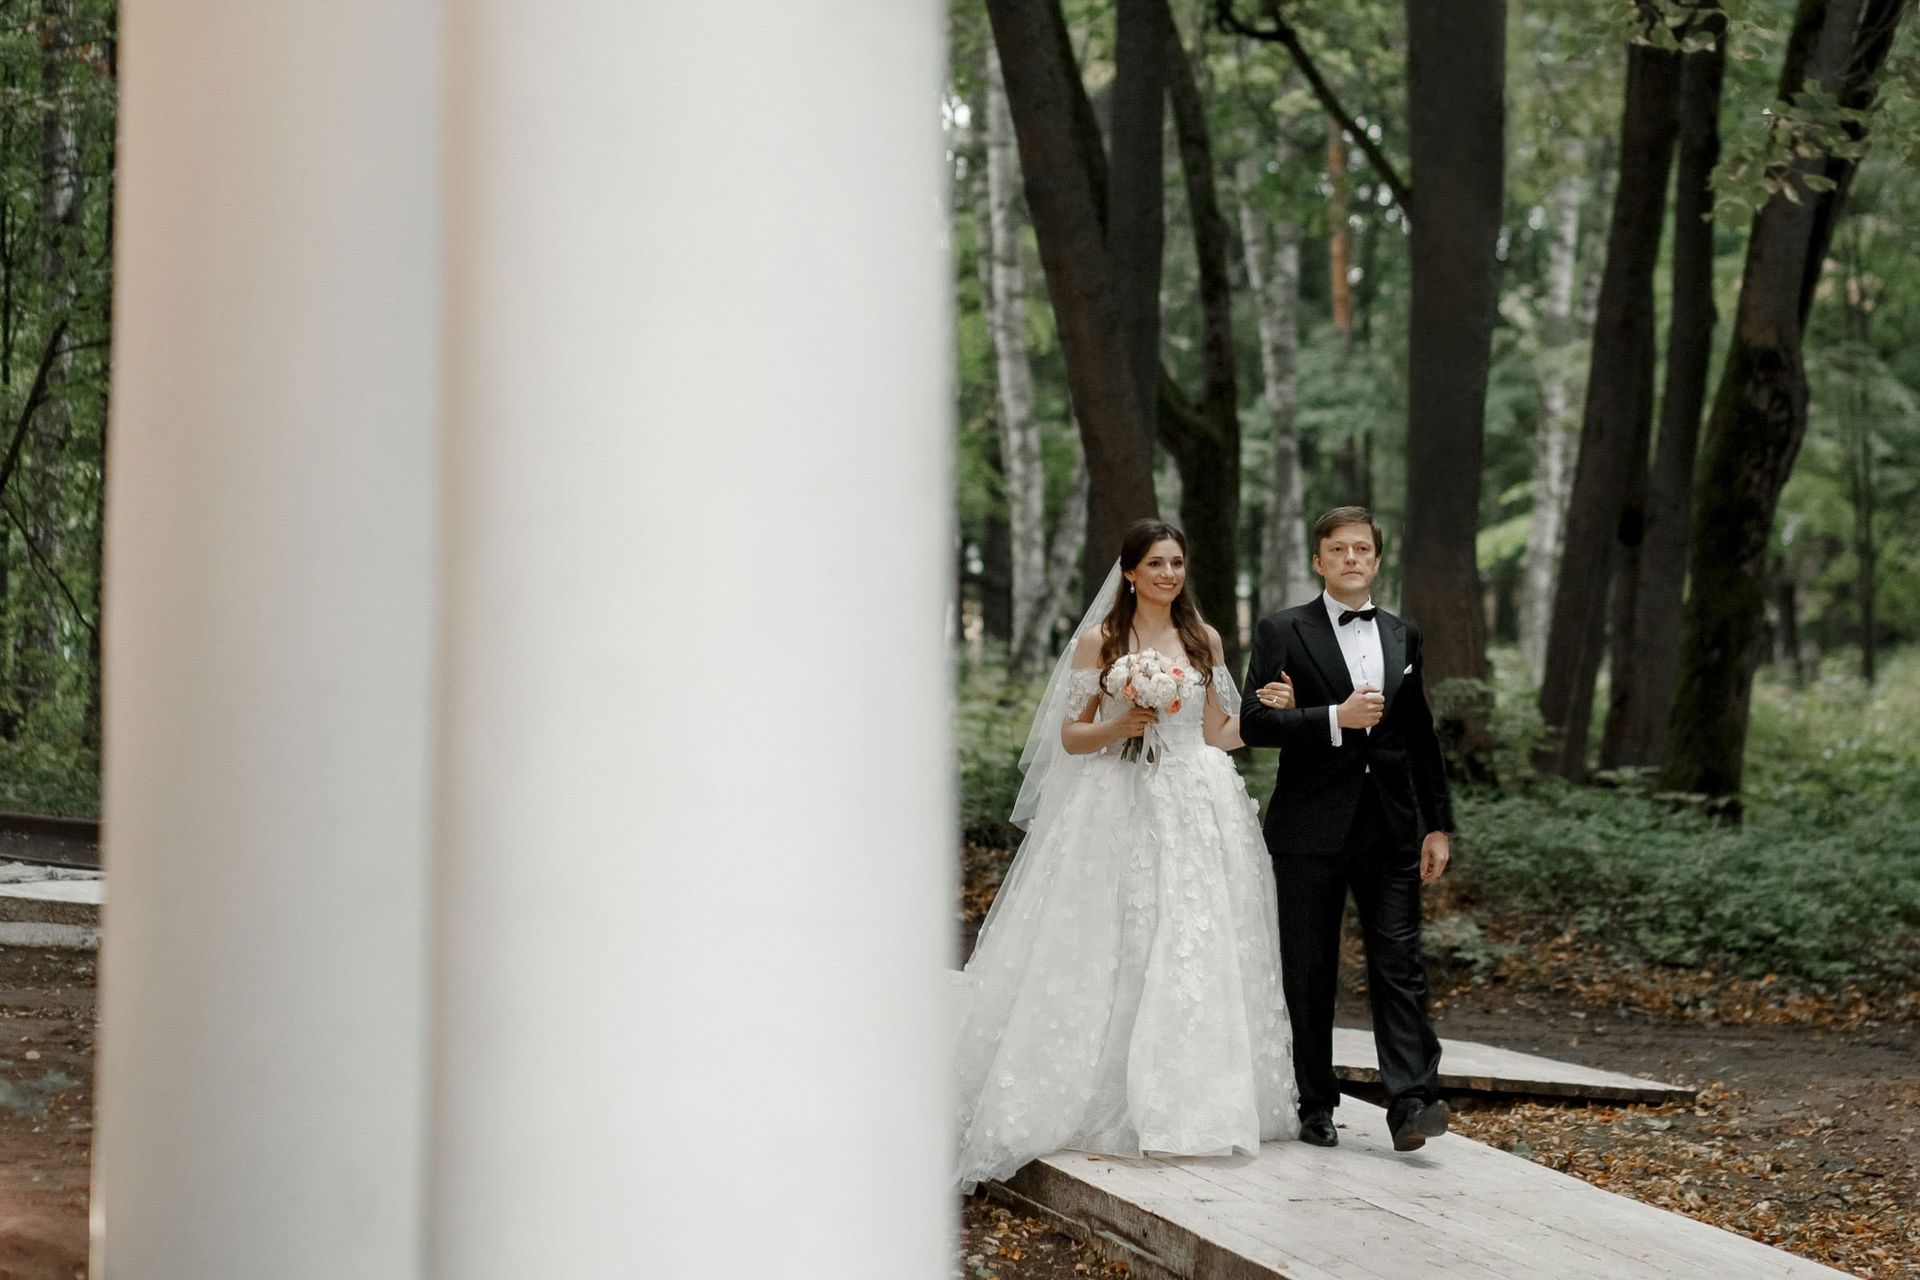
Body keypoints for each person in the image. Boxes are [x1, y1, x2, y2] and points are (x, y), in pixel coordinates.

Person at [952, 519, 1298, 1193]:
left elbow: (1220, 734)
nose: (1169, 573)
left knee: (1192, 941)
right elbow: (1073, 739)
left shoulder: (1204, 639)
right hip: (1118, 801)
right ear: (1130, 572)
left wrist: (1265, 707)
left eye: (1177, 561)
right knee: (1120, 936)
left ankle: (1192, 1100)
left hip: (1195, 801)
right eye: (1156, 563)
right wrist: (1119, 724)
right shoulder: (1100, 642)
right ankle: (1104, 1088)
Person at [1239, 505, 1455, 1153]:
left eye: (1363, 549)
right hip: (1308, 827)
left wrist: (1436, 825)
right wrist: (1335, 717)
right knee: (1308, 969)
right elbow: (1254, 725)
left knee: (1401, 962)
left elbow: (1420, 737)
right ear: (1319, 560)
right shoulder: (1282, 630)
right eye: (1339, 549)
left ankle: (1412, 1100)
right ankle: (1314, 1102)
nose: (1352, 558)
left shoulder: (1403, 637)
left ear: (1377, 560)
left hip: (1390, 827)